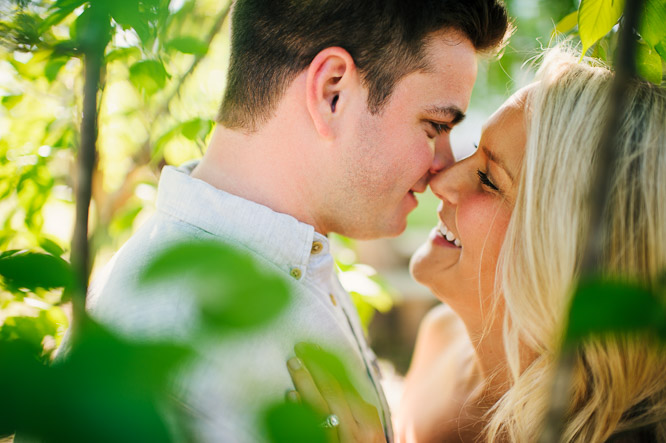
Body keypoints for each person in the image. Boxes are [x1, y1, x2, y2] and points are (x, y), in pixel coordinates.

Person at [68, 0, 511, 441]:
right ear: (332, 91)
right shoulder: (165, 343)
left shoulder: (290, 257)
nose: (444, 168)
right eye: (434, 126)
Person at [288, 48, 666, 442]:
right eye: (473, 152)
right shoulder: (441, 339)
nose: (440, 181)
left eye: (489, 179)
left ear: (564, 250)